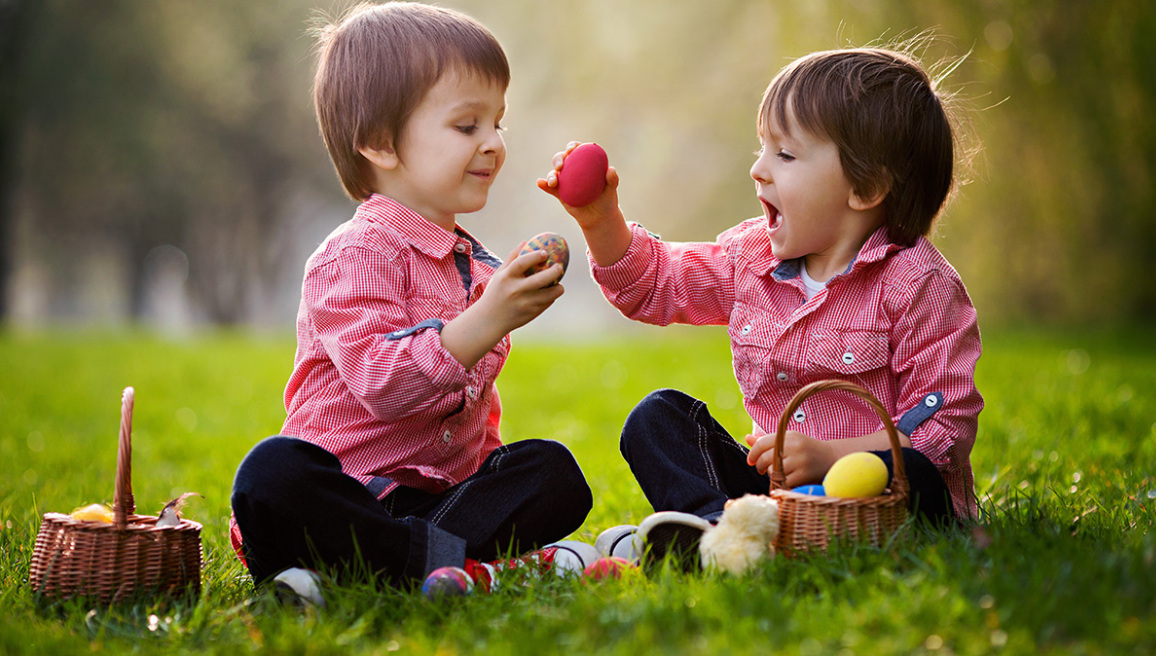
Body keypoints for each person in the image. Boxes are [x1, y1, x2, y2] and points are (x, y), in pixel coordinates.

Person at [542, 43, 982, 568]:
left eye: (785, 155)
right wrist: (599, 219)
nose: (758, 170)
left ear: (866, 187)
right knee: (656, 418)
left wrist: (830, 457)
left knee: (924, 475)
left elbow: (944, 431)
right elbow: (657, 283)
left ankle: (735, 538)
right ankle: (719, 532)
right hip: (777, 495)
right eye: (762, 148)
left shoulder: (918, 285)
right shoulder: (750, 257)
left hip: (881, 500)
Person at [230, 1, 593, 599]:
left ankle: (397, 564)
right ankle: (444, 562)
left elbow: (475, 420)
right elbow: (381, 382)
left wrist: (492, 478)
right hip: (347, 491)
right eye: (467, 125)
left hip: (434, 501)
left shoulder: (474, 265)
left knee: (552, 473)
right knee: (272, 473)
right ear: (379, 142)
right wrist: (486, 319)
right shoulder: (355, 253)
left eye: (498, 123)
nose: (494, 144)